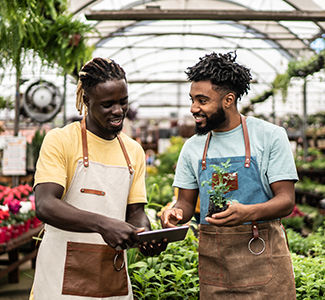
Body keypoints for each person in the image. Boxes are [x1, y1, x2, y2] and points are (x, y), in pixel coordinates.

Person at [161, 52, 298, 299]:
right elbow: (186, 204)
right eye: (192, 99)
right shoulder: (193, 146)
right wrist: (175, 213)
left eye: (202, 100)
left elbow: (286, 201)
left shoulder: (269, 136)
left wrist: (248, 212)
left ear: (228, 100)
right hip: (216, 267)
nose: (194, 108)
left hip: (263, 255)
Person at [30, 57, 166, 300]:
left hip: (111, 275)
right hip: (60, 277)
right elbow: (45, 204)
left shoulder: (132, 150)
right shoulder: (61, 140)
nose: (118, 111)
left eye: (123, 102)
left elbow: (135, 211)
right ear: (86, 100)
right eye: (107, 104)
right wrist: (103, 224)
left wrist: (145, 233)